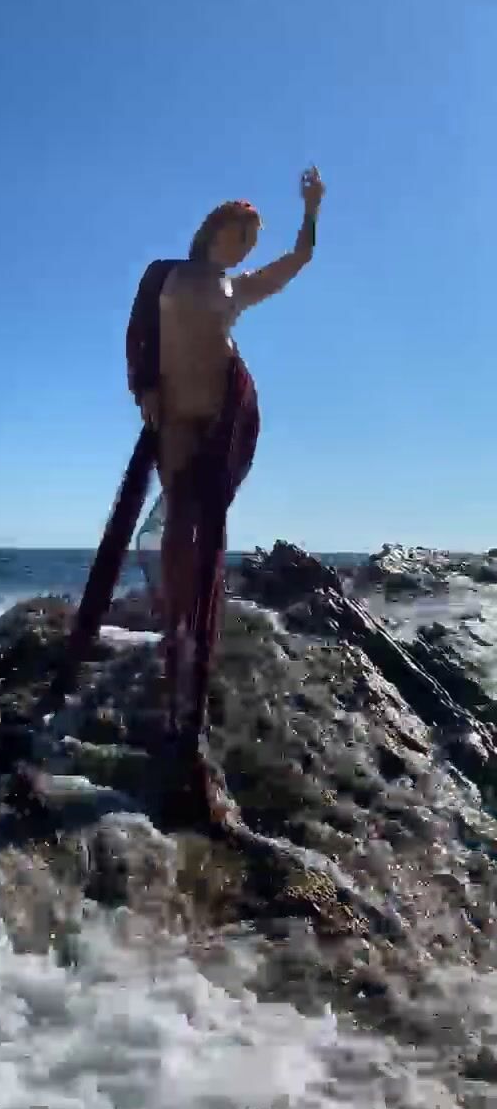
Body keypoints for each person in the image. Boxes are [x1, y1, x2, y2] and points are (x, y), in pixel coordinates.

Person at [51, 167, 325, 820]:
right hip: (173, 415)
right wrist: (143, 386)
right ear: (213, 228)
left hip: (222, 416)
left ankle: (194, 633)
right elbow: (137, 332)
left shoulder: (238, 286)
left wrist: (311, 209)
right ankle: (175, 624)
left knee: (205, 529)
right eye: (239, 233)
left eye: (252, 240)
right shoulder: (165, 274)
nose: (245, 246)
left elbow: (300, 259)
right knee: (176, 524)